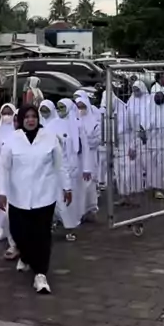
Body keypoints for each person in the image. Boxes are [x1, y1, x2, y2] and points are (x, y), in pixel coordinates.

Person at [0, 105, 71, 294]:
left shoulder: (49, 138)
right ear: (21, 119)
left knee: (42, 236)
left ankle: (40, 274)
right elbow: (3, 167)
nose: (30, 120)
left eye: (33, 116)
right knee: (19, 233)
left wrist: (67, 187)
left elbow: (60, 165)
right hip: (18, 197)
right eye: (27, 117)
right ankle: (26, 256)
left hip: (44, 196)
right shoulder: (12, 140)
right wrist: (2, 192)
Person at [54, 99, 90, 240]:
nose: (60, 110)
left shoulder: (78, 125)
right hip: (56, 169)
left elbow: (84, 147)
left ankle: (71, 226)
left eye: (63, 107)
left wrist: (87, 168)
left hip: (74, 168)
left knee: (71, 199)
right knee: (57, 199)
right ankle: (58, 221)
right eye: (58, 107)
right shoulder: (53, 125)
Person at [0, 103, 18, 257]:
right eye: (4, 113)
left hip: (15, 173)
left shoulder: (17, 132)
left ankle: (14, 241)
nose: (6, 116)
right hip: (0, 170)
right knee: (0, 204)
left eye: (9, 113)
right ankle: (1, 230)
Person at [74, 91, 102, 218]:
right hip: (77, 158)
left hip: (90, 156)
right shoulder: (74, 121)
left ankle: (90, 211)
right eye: (78, 107)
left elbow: (97, 140)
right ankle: (79, 212)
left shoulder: (94, 123)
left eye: (83, 107)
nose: (81, 109)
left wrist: (85, 140)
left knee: (89, 184)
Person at [144, 91, 164, 199]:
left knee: (163, 168)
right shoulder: (149, 111)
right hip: (152, 144)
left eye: (160, 96)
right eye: (157, 96)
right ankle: (153, 186)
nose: (158, 98)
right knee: (152, 167)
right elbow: (145, 126)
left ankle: (160, 188)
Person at [125, 80, 149, 195]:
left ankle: (148, 182)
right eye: (134, 90)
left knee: (146, 159)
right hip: (133, 133)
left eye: (138, 89)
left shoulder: (148, 100)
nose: (136, 92)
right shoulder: (131, 101)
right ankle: (137, 184)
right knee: (135, 159)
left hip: (146, 133)